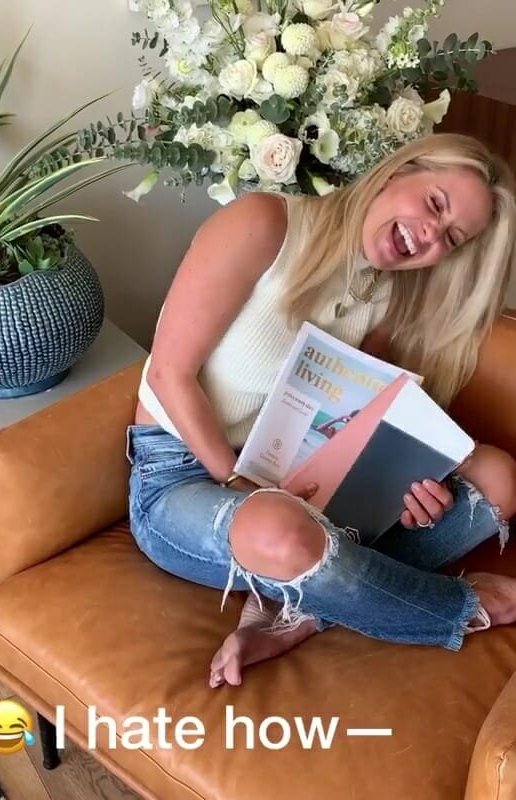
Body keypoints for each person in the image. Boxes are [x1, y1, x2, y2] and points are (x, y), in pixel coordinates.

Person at [125, 133, 516, 689]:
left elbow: (348, 426)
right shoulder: (264, 222)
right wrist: (240, 482)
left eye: (452, 237)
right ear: (397, 171)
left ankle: (301, 611)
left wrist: (407, 491)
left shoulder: (386, 297)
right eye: (434, 203)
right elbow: (169, 374)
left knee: (497, 476)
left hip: (297, 477)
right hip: (181, 475)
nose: (432, 235)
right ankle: (458, 610)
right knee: (283, 529)